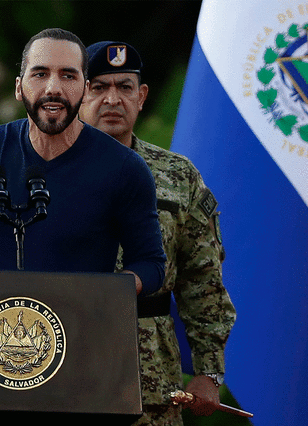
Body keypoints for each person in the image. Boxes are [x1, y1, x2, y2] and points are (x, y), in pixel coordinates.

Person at [0, 29, 166, 298]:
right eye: (40, 74)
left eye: (68, 75)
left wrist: (98, 293)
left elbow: (151, 265)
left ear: (85, 89)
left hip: (80, 327)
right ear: (19, 88)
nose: (53, 88)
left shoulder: (124, 167)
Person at [79, 41, 237, 426]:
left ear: (142, 96)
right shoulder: (46, 168)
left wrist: (208, 371)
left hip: (149, 373)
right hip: (67, 358)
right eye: (98, 88)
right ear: (78, 95)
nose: (112, 99)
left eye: (124, 87)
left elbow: (203, 279)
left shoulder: (177, 176)